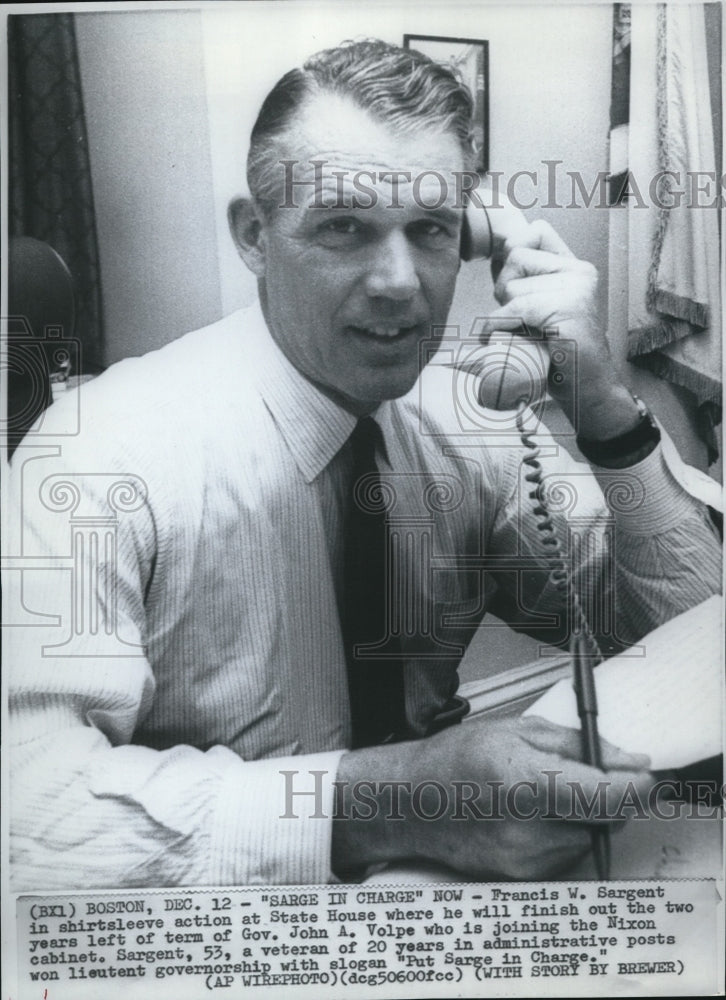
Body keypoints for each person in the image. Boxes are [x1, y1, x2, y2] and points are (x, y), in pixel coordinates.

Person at [8, 39, 720, 891]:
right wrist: (395, 799)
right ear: (254, 235)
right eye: (344, 226)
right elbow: (29, 811)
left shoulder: (474, 421)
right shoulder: (95, 449)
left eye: (430, 231)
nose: (399, 283)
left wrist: (603, 407)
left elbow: (696, 652)